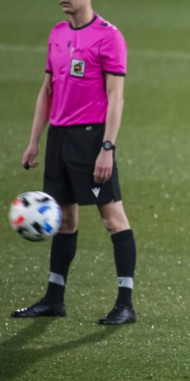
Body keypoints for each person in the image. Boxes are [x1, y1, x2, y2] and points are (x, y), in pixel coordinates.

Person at [11, 0, 137, 325]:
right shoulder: (56, 34)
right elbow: (47, 89)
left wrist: (107, 146)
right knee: (64, 222)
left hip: (91, 139)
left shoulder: (109, 37)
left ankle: (125, 304)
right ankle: (54, 299)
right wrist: (34, 141)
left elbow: (116, 95)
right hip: (59, 137)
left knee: (113, 219)